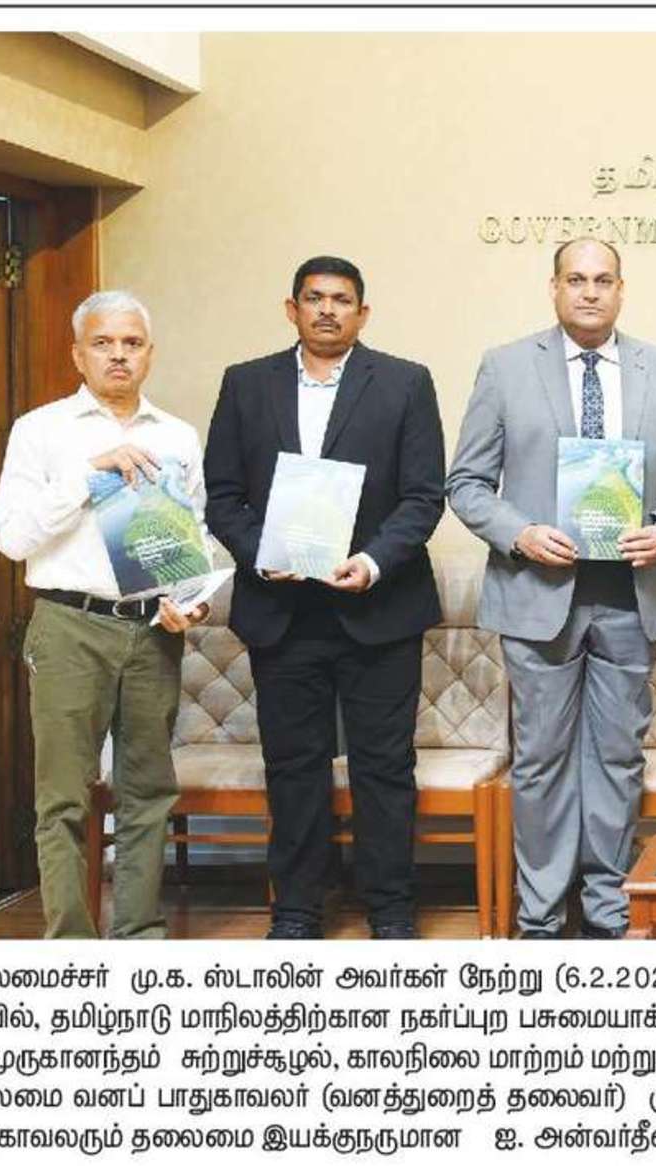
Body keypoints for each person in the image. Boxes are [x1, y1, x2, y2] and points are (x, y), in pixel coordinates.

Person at [446, 238, 656, 940]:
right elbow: (466, 484)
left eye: (602, 280)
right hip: (538, 592)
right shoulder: (505, 367)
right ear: (554, 288)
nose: (589, 292)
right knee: (541, 759)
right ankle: (539, 916)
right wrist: (520, 533)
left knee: (619, 758)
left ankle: (606, 909)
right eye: (576, 279)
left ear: (622, 289)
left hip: (631, 593)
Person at [204, 256, 446, 940]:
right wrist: (261, 554)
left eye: (342, 300)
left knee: (384, 767)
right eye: (314, 298)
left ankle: (390, 909)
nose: (328, 310)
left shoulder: (404, 382)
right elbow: (222, 494)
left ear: (362, 313)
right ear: (292, 309)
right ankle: (297, 909)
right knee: (293, 767)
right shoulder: (246, 383)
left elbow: (424, 496)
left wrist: (372, 562)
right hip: (282, 613)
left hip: (378, 607)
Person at [0, 290, 209, 938]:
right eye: (103, 343)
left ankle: (139, 935)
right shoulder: (40, 430)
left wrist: (192, 602)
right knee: (64, 796)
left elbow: (191, 540)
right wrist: (90, 477)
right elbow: (12, 538)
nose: (119, 355)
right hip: (69, 626)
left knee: (149, 792)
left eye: (132, 343)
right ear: (77, 355)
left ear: (149, 354)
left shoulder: (177, 436)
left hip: (152, 631)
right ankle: (72, 947)